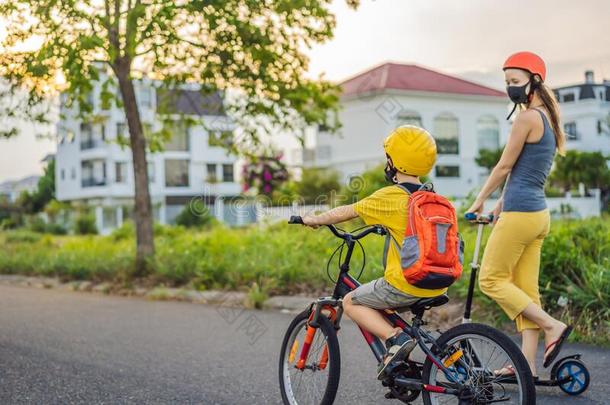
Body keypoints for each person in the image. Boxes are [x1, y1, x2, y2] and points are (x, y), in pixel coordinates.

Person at [302, 125, 444, 380]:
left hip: (406, 284)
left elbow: (348, 211)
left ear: (394, 162)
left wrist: (315, 219)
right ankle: (404, 363)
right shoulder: (431, 197)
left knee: (350, 301)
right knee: (375, 299)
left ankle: (395, 338)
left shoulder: (391, 196)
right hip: (438, 283)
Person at [466, 51, 572, 378]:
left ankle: (552, 325)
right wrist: (499, 205)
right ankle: (525, 366)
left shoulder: (526, 118)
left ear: (534, 80)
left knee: (491, 279)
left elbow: (505, 166)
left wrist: (478, 201)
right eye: (507, 82)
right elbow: (525, 172)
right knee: (527, 293)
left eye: (515, 81)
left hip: (521, 214)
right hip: (537, 215)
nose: (510, 88)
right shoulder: (548, 120)